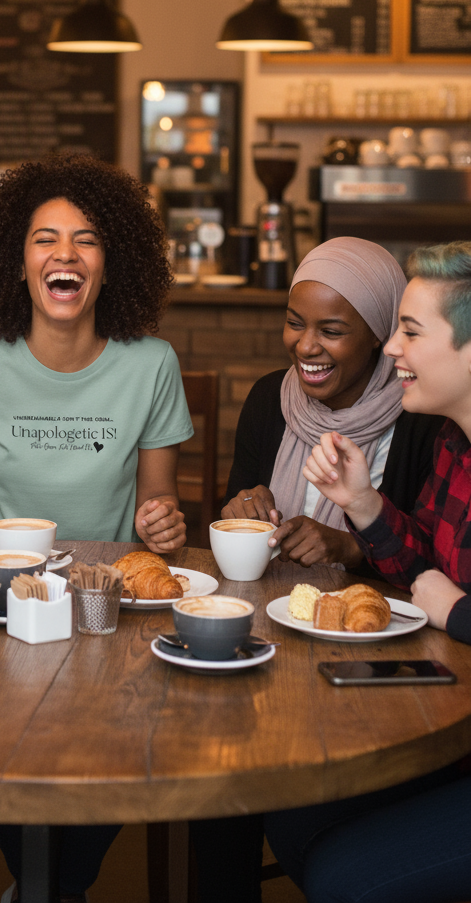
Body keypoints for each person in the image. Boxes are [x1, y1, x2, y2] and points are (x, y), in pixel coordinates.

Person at [0, 154, 193, 903]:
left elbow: (160, 515)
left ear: (115, 265)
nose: (65, 254)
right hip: (0, 612)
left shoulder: (152, 364)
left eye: (87, 239)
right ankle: (50, 889)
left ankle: (43, 891)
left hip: (111, 614)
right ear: (17, 262)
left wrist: (164, 523)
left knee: (116, 741)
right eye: (44, 239)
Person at [265, 240, 471, 903]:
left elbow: (440, 597)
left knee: (344, 877)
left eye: (410, 332)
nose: (390, 349)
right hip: (455, 724)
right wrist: (363, 503)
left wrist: (456, 611)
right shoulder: (451, 443)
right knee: (289, 813)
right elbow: (425, 573)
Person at [222, 237, 443, 570]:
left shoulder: (423, 421)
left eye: (331, 331)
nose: (306, 346)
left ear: (378, 334)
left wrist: (350, 548)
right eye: (295, 323)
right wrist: (241, 510)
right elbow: (233, 513)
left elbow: (431, 562)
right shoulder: (269, 399)